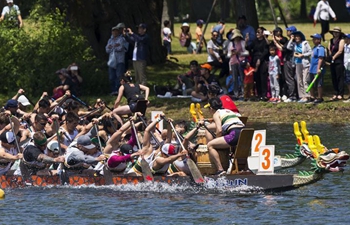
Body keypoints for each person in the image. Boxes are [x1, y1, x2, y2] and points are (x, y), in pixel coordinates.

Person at [205, 97, 245, 176]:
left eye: (208, 109)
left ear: (211, 108)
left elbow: (219, 130)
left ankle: (220, 170)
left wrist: (216, 140)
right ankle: (244, 169)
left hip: (234, 134)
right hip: (244, 133)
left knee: (210, 145)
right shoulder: (228, 111)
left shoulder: (216, 114)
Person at [287, 30, 312, 103]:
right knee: (299, 80)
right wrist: (291, 39)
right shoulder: (294, 44)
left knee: (305, 80)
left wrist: (303, 55)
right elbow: (288, 47)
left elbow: (310, 52)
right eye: (295, 36)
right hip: (297, 63)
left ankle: (307, 96)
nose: (297, 38)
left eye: (298, 36)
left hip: (305, 63)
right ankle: (302, 96)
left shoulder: (305, 43)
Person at [246, 27, 270, 101]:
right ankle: (259, 94)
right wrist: (246, 41)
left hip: (262, 60)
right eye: (257, 32)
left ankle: (264, 95)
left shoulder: (265, 41)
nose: (257, 34)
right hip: (255, 60)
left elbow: (266, 50)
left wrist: (260, 59)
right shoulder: (255, 41)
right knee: (257, 78)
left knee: (263, 78)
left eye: (259, 32)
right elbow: (248, 48)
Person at [106, 24, 127, 96]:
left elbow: (120, 48)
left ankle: (119, 91)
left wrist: (112, 47)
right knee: (112, 76)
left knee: (119, 76)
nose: (114, 33)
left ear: (118, 32)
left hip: (119, 60)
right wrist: (114, 46)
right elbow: (107, 49)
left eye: (116, 31)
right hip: (111, 61)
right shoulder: (110, 40)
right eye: (113, 31)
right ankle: (113, 90)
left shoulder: (121, 39)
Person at [227, 29, 247, 99]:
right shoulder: (231, 44)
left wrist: (239, 53)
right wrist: (231, 54)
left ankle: (243, 92)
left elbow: (246, 52)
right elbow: (228, 55)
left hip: (241, 62)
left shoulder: (242, 42)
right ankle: (236, 93)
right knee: (235, 78)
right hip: (233, 62)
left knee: (242, 78)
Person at [328, 27, 345, 101]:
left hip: (339, 61)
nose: (335, 33)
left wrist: (334, 57)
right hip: (332, 61)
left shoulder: (341, 40)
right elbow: (329, 49)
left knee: (339, 77)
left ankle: (340, 93)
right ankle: (335, 92)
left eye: (337, 32)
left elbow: (340, 51)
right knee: (333, 77)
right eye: (334, 32)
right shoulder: (331, 40)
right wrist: (330, 56)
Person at [309, 33, 326, 104]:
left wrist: (318, 68)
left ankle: (320, 97)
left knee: (319, 83)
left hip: (317, 68)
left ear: (319, 40)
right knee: (311, 82)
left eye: (315, 39)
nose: (313, 40)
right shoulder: (314, 48)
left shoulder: (320, 48)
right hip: (312, 68)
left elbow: (320, 58)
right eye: (313, 38)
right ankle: (312, 96)